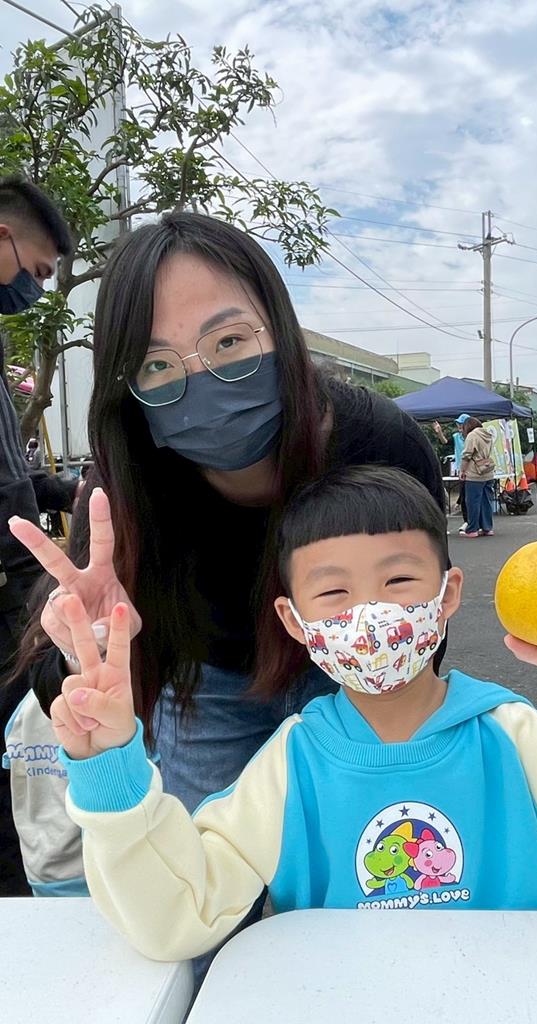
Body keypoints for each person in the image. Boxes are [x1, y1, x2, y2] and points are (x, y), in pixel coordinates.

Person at [49, 465, 537, 961]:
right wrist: (109, 765)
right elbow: (179, 912)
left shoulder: (512, 737)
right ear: (295, 621)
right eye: (333, 591)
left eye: (398, 581)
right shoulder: (289, 767)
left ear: (447, 594)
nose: (370, 613)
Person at [8, 212, 446, 831]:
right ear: (127, 386)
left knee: (379, 852)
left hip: (359, 663)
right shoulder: (125, 485)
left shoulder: (379, 443)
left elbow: (426, 608)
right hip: (208, 678)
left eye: (230, 342)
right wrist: (87, 651)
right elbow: (68, 684)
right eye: (156, 365)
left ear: (280, 328)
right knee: (210, 866)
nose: (202, 380)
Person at [0, 175, 71, 896]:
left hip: (15, 583)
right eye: (39, 271)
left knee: (19, 747)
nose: (37, 289)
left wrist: (65, 491)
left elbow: (8, 473)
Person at [459, 416, 495, 538]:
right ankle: (487, 528)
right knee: (486, 502)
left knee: (472, 502)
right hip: (488, 472)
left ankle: (472, 529)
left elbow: (466, 455)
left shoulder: (472, 435)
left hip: (474, 474)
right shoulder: (488, 435)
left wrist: (462, 470)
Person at [432, 414, 469, 530]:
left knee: (471, 497)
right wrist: (439, 432)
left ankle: (474, 522)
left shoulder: (473, 436)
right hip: (462, 470)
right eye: (458, 423)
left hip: (473, 470)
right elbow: (445, 442)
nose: (459, 426)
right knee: (464, 496)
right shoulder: (456, 437)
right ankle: (467, 521)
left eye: (461, 424)